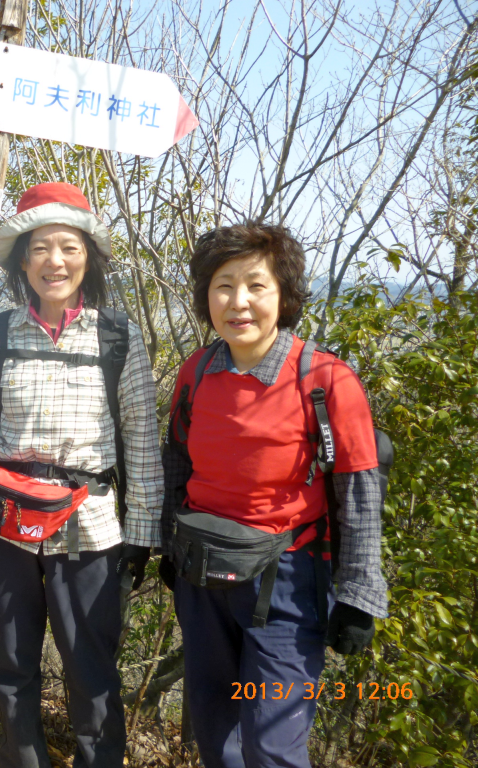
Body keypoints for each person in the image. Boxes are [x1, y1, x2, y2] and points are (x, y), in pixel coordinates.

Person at [0, 182, 164, 768]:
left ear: (89, 255)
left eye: (68, 246)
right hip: (3, 518)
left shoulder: (117, 335)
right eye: (39, 248)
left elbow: (140, 434)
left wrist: (141, 531)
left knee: (90, 661)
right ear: (20, 260)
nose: (53, 261)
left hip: (88, 519)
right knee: (11, 659)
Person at [160, 223, 388, 767]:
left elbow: (358, 489)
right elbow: (176, 463)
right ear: (205, 297)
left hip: (285, 580)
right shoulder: (196, 372)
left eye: (255, 285)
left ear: (282, 294)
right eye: (222, 285)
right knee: (216, 730)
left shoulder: (325, 379)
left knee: (272, 742)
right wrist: (168, 546)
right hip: (202, 571)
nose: (238, 301)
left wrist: (358, 594)